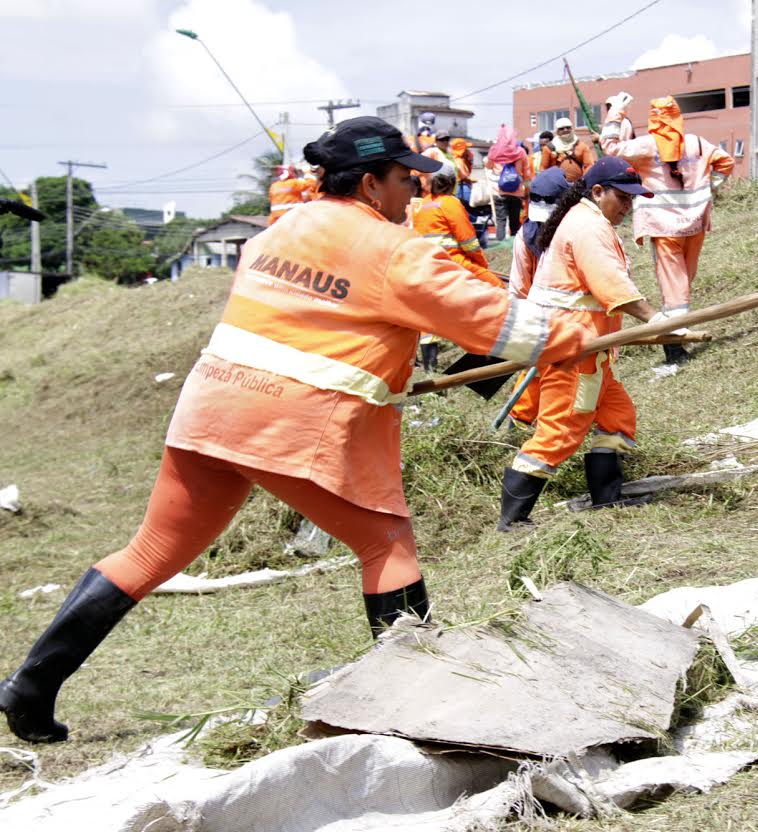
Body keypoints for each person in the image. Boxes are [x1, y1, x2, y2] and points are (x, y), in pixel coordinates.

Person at [0, 116, 594, 745]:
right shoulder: (394, 249)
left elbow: (316, 320)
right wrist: (581, 335)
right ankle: (418, 699)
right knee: (386, 545)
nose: (411, 194)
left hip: (210, 412)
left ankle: (30, 686)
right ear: (370, 185)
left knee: (150, 553)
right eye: (402, 180)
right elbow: (498, 325)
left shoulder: (278, 233)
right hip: (290, 424)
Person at [498, 157, 661, 531]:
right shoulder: (587, 227)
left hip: (589, 348)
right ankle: (513, 518)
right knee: (560, 430)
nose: (627, 206)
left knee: (618, 417)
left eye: (632, 200)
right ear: (598, 191)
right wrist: (656, 318)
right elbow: (610, 284)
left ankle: (607, 496)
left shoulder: (586, 221)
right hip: (574, 349)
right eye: (623, 197)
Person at [600, 96, 734, 365]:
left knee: (673, 286)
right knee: (684, 281)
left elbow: (610, 149)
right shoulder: (696, 142)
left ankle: (675, 346)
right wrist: (710, 188)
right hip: (695, 222)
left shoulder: (648, 145)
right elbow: (726, 162)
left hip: (664, 226)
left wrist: (617, 112)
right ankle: (678, 336)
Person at [506, 168, 572, 428]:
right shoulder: (526, 236)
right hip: (544, 313)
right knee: (541, 372)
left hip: (573, 312)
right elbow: (520, 283)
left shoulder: (576, 229)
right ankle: (523, 419)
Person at [486, 125, 532, 239]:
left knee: (500, 221)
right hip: (516, 192)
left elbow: (488, 165)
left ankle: (501, 246)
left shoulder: (495, 150)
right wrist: (527, 190)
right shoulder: (520, 152)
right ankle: (515, 247)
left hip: (499, 192)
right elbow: (527, 174)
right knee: (515, 222)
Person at [541, 117, 596, 183]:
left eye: (568, 127)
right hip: (556, 186)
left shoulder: (582, 146)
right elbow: (543, 168)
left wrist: (583, 181)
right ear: (557, 131)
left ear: (572, 129)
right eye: (562, 128)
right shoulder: (549, 148)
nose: (565, 130)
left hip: (577, 186)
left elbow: (589, 165)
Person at [450, 137, 474, 205]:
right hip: (462, 187)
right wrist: (470, 180)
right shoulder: (459, 161)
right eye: (466, 149)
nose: (468, 151)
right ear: (462, 150)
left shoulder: (456, 159)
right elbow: (463, 176)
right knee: (467, 207)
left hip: (460, 187)